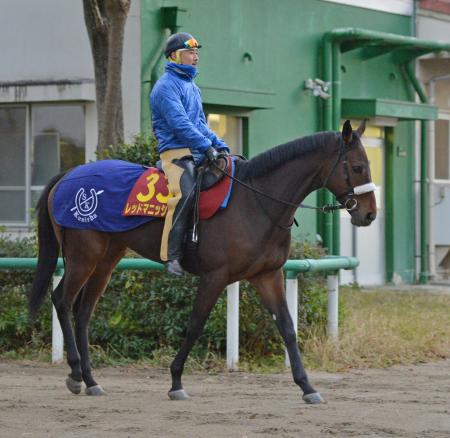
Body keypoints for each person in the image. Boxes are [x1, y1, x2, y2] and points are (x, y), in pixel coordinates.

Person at [150, 32, 229, 276]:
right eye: (190, 52)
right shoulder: (165, 87)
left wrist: (220, 144)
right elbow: (181, 125)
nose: (196, 57)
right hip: (175, 154)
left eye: (196, 53)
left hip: (197, 151)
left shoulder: (191, 86)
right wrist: (207, 146)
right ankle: (172, 256)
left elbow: (200, 124)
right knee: (185, 193)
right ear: (174, 56)